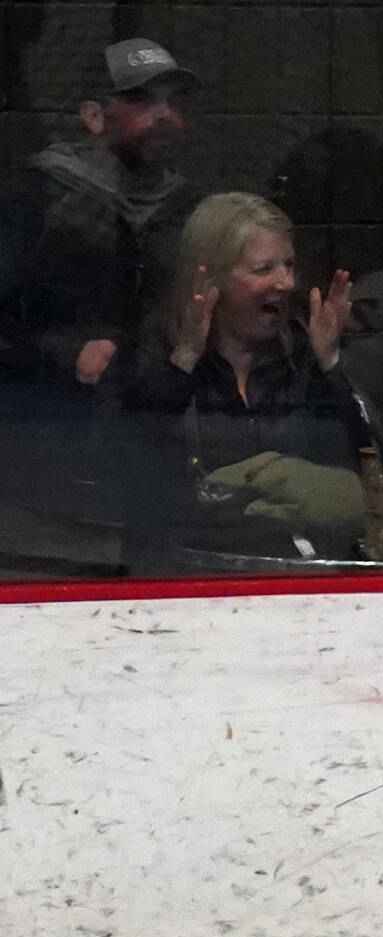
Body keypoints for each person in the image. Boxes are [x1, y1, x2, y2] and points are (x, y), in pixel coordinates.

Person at [0, 38, 201, 567]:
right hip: (38, 489)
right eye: (142, 101)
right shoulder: (33, 197)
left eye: (171, 103)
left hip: (154, 477)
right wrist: (63, 355)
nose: (166, 117)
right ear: (92, 116)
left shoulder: (187, 209)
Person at [103, 191, 366, 569]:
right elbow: (125, 467)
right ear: (209, 279)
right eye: (264, 269)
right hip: (180, 583)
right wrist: (184, 362)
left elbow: (366, 471)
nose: (286, 283)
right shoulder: (151, 353)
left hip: (300, 580)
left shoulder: (301, 356)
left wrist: (330, 363)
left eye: (288, 265)